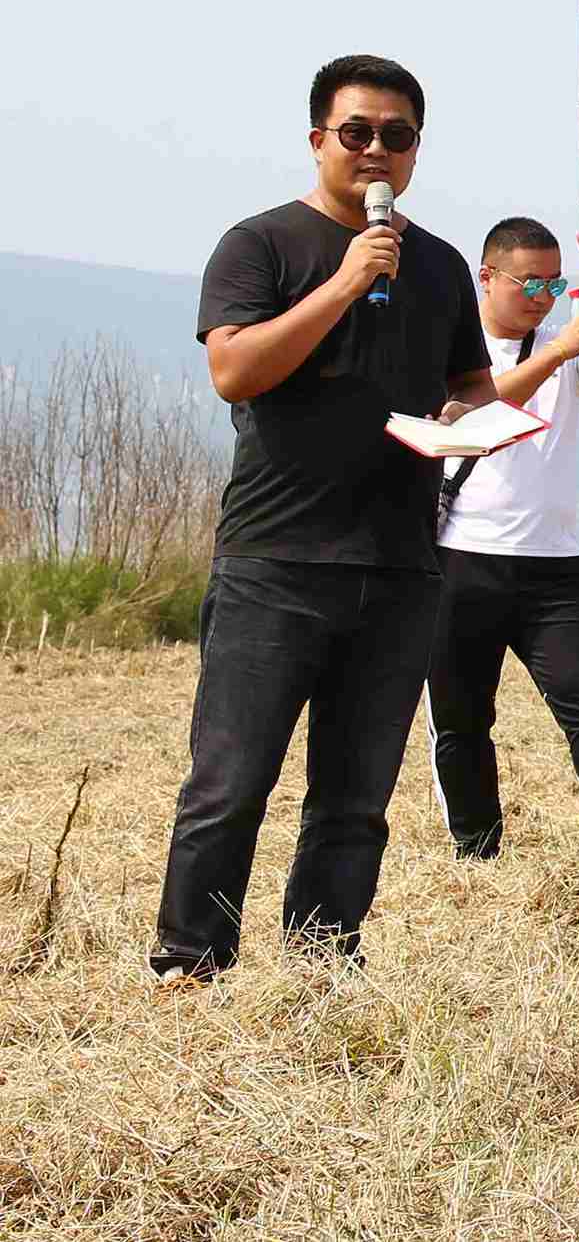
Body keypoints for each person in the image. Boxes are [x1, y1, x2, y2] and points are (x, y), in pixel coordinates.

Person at [154, 53, 494, 980]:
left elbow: (470, 381)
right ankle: (191, 964)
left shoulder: (440, 265)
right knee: (231, 783)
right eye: (358, 133)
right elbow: (235, 369)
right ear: (318, 140)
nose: (377, 150)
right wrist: (343, 285)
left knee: (354, 796)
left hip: (400, 563)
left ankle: (321, 965)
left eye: (398, 135)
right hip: (277, 559)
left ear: (418, 148)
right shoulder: (261, 244)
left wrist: (466, 420)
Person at [426, 215, 579, 856]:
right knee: (463, 718)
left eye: (554, 286)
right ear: (487, 276)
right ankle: (477, 849)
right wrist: (556, 352)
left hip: (551, 566)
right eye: (530, 284)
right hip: (461, 560)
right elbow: (474, 415)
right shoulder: (448, 349)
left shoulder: (565, 344)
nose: (543, 300)